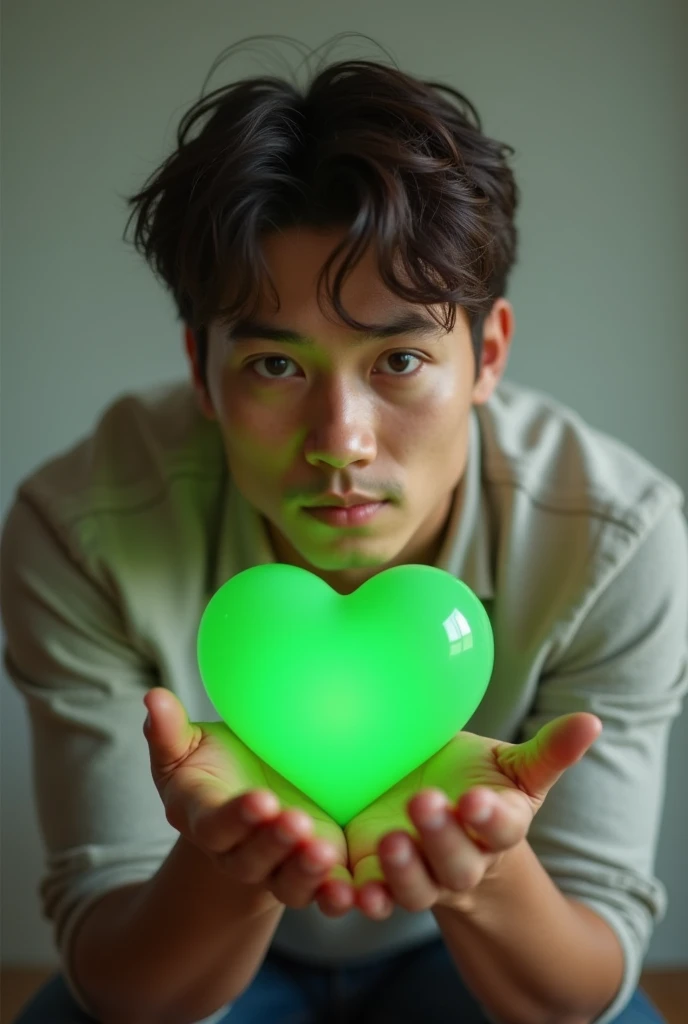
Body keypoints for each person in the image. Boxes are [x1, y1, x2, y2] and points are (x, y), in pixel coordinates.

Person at [1, 34, 685, 1024]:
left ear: (486, 354)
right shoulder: (80, 528)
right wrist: (229, 869)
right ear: (201, 369)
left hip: (463, 952)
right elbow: (120, 978)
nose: (339, 441)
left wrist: (483, 877)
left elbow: (581, 982)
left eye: (399, 359)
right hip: (202, 943)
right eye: (276, 366)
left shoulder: (613, 537)